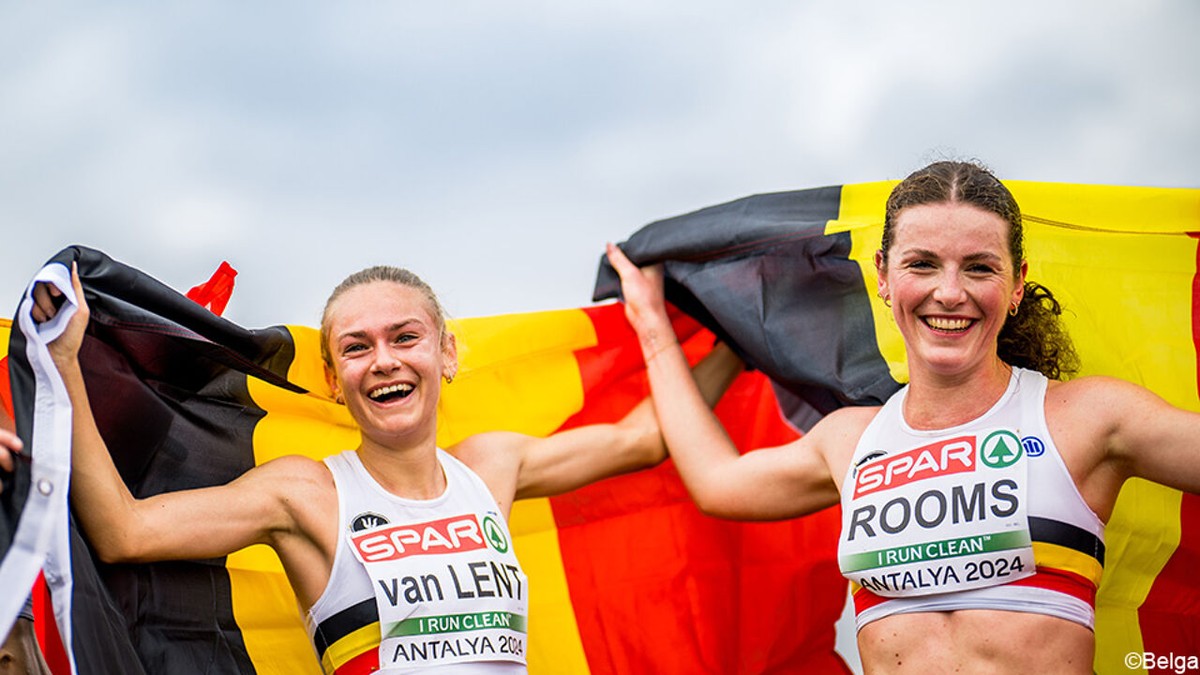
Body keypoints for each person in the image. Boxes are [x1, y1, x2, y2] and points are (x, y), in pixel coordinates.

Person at [605, 160, 1200, 674]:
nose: (949, 292)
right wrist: (656, 330)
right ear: (884, 277)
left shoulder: (1089, 417)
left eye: (979, 268)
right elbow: (716, 481)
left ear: (1017, 284)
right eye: (922, 264)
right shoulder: (850, 440)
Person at [30, 264, 740, 674]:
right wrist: (62, 365)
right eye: (357, 347)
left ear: (447, 354)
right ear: (335, 380)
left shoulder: (492, 464)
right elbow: (124, 531)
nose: (386, 360)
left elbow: (647, 436)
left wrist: (735, 327)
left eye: (406, 336)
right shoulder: (304, 490)